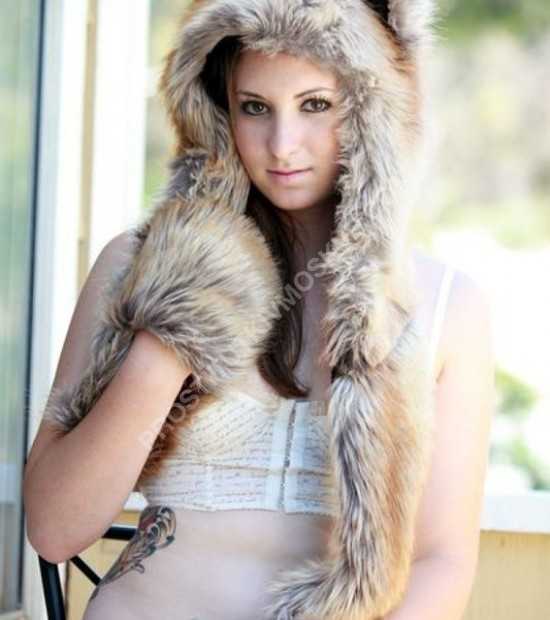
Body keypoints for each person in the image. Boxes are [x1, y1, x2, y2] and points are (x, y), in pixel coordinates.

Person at [23, 1, 495, 619]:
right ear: (219, 110)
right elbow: (55, 530)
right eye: (255, 108)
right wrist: (175, 325)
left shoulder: (447, 306)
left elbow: (441, 562)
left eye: (315, 104)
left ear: (373, 107)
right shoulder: (133, 266)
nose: (282, 145)